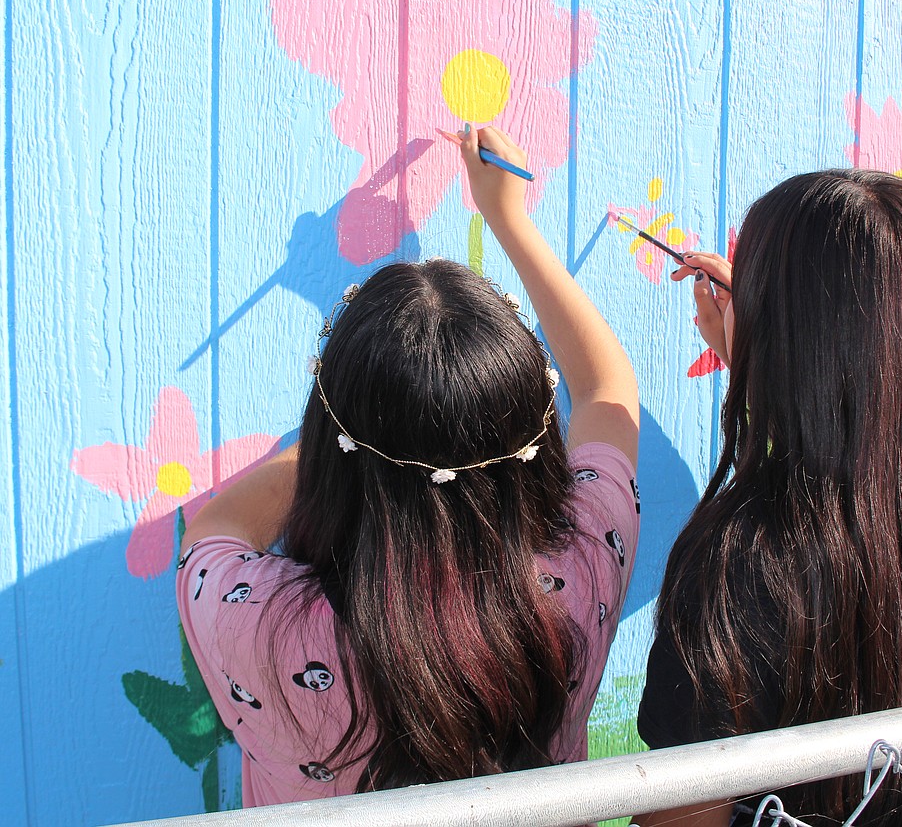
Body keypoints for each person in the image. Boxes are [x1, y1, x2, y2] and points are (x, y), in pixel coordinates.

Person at [177, 127, 640, 805]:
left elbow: (209, 536)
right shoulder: (583, 570)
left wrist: (345, 431)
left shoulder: (261, 625)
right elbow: (605, 391)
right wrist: (509, 218)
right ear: (534, 433)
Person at [636, 170, 902, 827]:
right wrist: (766, 344)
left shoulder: (743, 558)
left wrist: (768, 343)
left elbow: (678, 816)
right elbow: (864, 423)